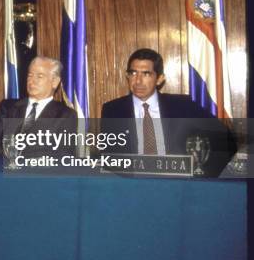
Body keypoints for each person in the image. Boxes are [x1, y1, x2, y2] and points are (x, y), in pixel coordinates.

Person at [101, 48, 235, 176]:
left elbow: (226, 139)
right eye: (133, 73)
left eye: (146, 74)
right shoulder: (113, 110)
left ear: (159, 79)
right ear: (127, 76)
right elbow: (109, 157)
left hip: (177, 185)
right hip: (132, 185)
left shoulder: (183, 106)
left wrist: (202, 171)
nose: (138, 81)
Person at [0, 56, 76, 156]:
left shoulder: (66, 115)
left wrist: (24, 161)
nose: (32, 81)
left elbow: (62, 153)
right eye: (30, 75)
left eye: (39, 76)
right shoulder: (8, 107)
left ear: (54, 82)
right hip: (3, 168)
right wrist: (11, 158)